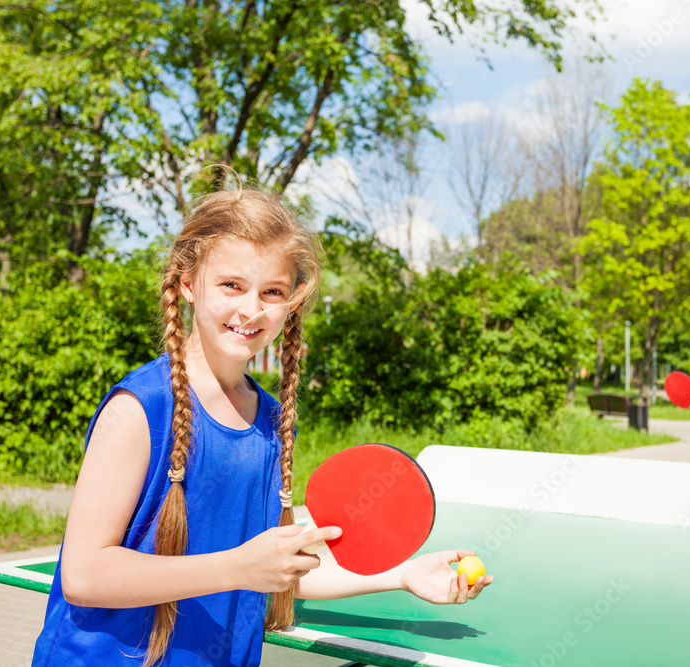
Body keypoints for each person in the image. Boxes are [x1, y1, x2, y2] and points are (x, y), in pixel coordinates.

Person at [32, 185, 491, 667]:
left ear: (290, 302)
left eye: (272, 291)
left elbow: (273, 573)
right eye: (231, 285)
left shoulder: (270, 421)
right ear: (188, 282)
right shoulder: (140, 409)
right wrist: (237, 568)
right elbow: (84, 575)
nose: (251, 309)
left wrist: (403, 574)